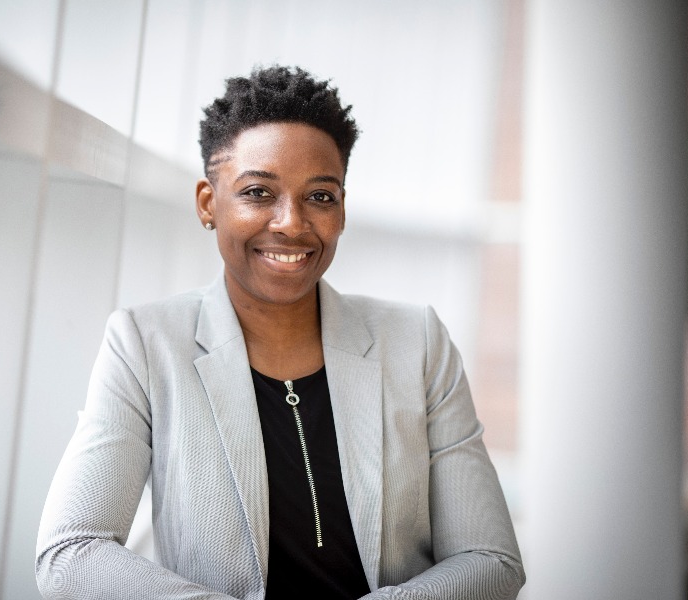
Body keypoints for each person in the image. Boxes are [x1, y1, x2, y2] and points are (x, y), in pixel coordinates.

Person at [36, 65, 525, 600]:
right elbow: (71, 552)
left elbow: (491, 560)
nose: (292, 223)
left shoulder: (417, 342)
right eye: (258, 192)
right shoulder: (144, 344)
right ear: (208, 202)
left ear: (341, 209)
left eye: (320, 196)